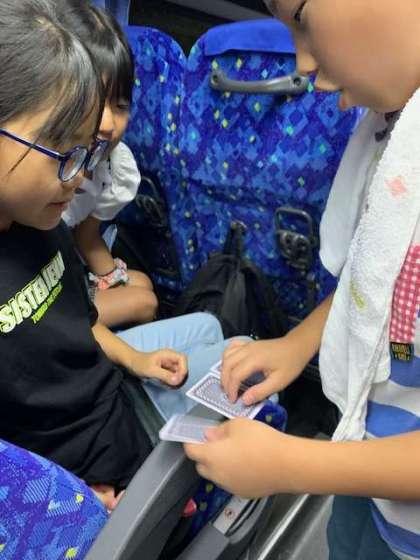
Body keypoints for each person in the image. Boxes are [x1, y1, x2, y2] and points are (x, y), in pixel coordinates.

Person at [184, 1, 420, 559]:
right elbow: (374, 279)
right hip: (364, 464)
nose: (304, 63)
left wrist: (291, 464)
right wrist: (297, 343)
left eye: (303, 21)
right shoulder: (395, 135)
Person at [0, 0, 225, 511]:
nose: (79, 176)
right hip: (80, 474)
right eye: (63, 151)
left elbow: (74, 322)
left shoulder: (41, 220)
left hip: (109, 405)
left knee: (226, 350)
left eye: (86, 154)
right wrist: (70, 501)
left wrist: (135, 359)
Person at [61, 2, 158, 328]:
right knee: (144, 302)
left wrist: (110, 280)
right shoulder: (40, 168)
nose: (107, 125)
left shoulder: (113, 166)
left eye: (120, 106)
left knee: (142, 285)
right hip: (44, 291)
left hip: (66, 271)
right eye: (96, 101)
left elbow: (86, 237)